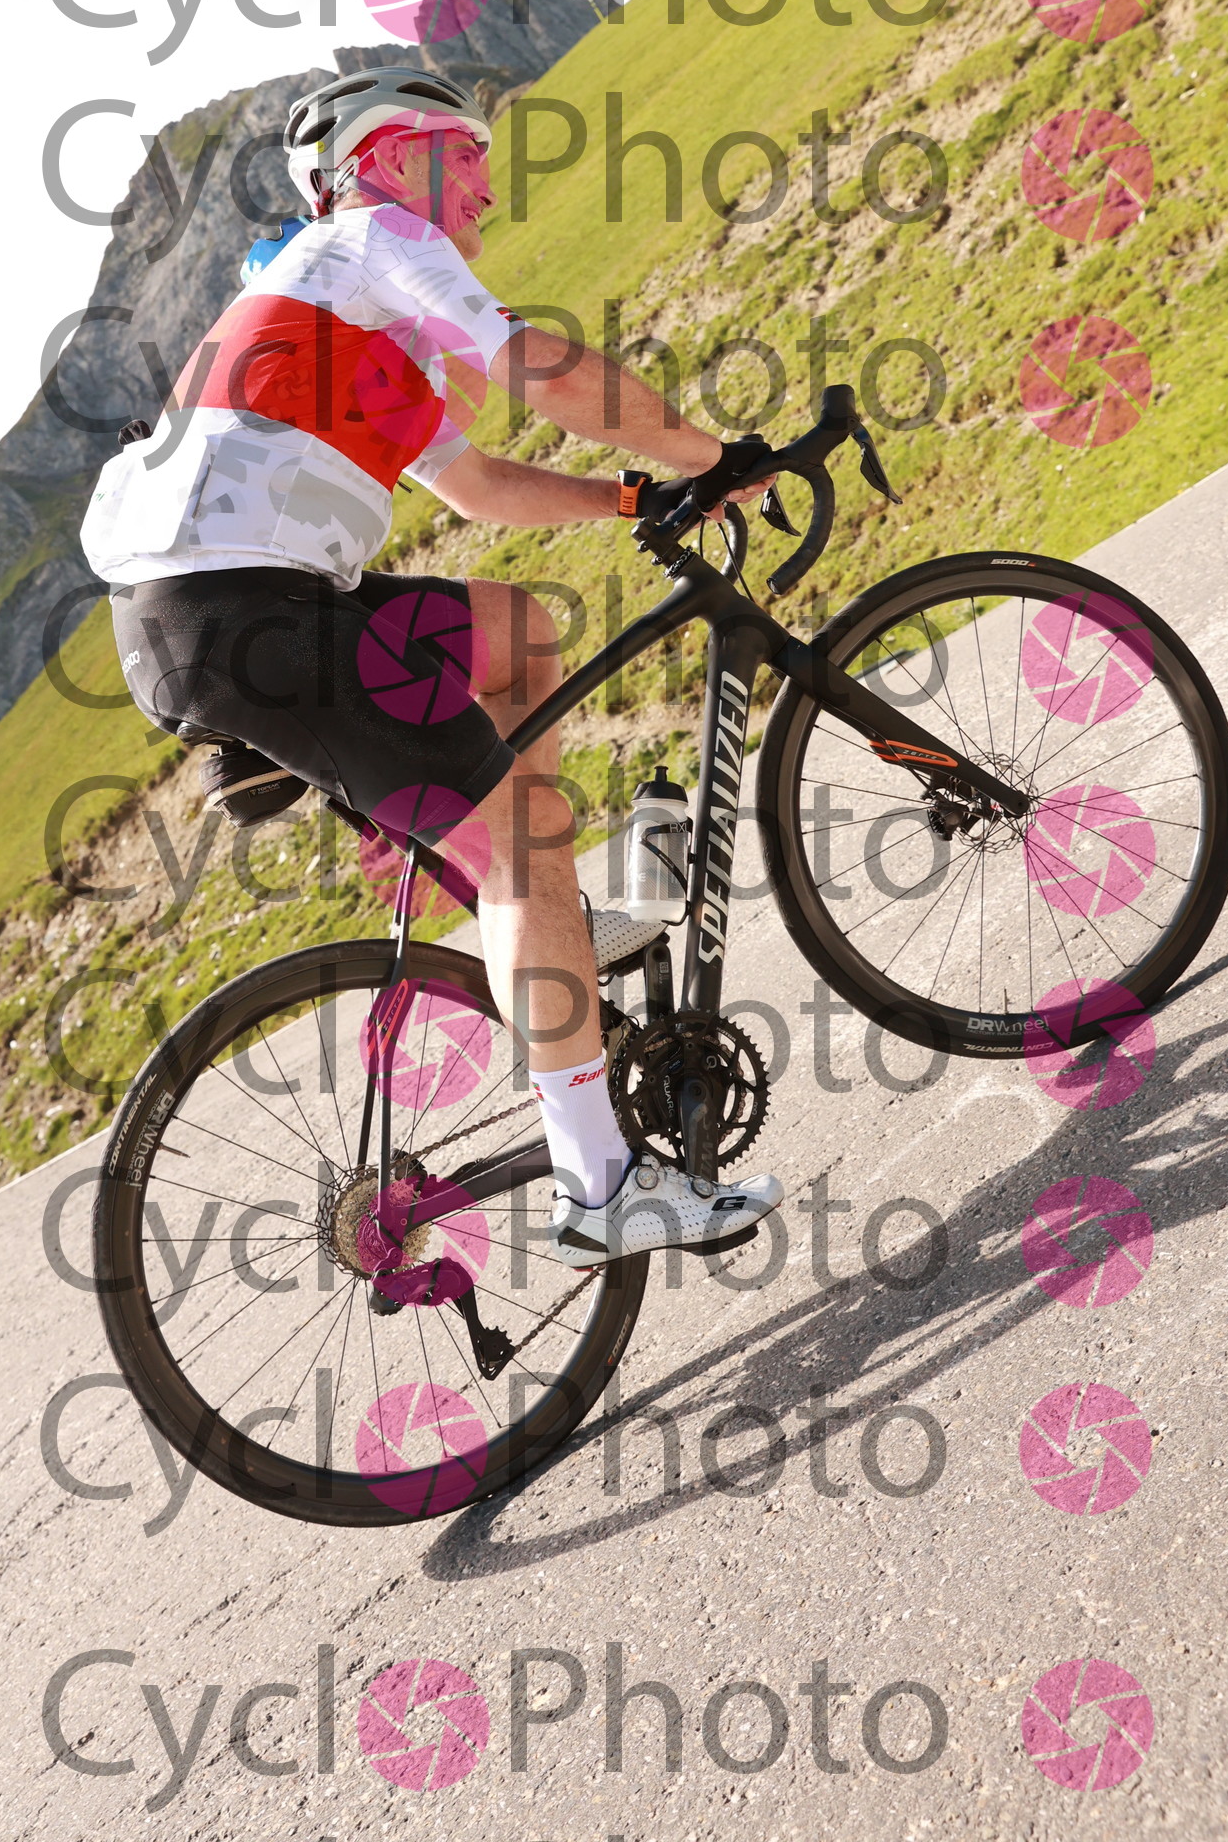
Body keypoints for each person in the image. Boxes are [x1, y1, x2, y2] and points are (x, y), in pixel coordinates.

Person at [81, 67, 782, 1263]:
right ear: (387, 161)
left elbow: (476, 485)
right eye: (465, 154)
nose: (487, 184)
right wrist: (710, 457)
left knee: (519, 636)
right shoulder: (373, 238)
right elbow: (537, 366)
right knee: (516, 851)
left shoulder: (349, 321)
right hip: (253, 616)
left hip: (208, 616)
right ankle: (601, 1187)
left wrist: (634, 497)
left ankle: (547, 919)